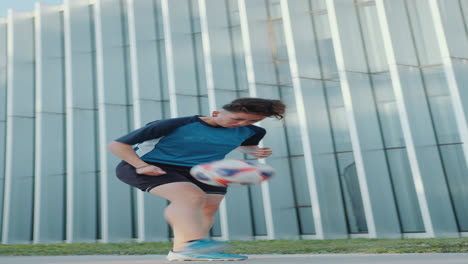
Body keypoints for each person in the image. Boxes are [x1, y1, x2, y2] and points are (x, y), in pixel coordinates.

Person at [107, 97, 286, 261]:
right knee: (190, 198)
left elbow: (242, 144)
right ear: (216, 113)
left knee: (208, 207)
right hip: (151, 165)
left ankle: (183, 251)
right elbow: (117, 145)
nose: (242, 124)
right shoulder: (174, 124)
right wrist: (141, 166)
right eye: (237, 119)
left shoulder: (253, 131)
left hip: (203, 170)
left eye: (252, 120)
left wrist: (253, 151)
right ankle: (193, 243)